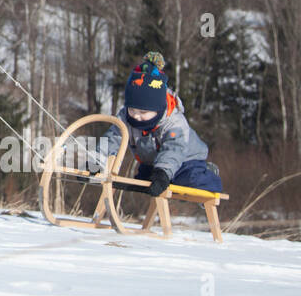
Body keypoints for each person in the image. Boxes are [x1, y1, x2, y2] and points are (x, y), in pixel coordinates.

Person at [96, 52, 223, 194]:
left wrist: (162, 173)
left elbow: (173, 149)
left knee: (186, 181)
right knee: (142, 182)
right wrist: (96, 162)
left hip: (186, 160)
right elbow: (112, 138)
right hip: (152, 162)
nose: (136, 116)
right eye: (132, 110)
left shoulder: (173, 122)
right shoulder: (125, 118)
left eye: (143, 113)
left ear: (158, 109)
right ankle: (159, 175)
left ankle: (210, 175)